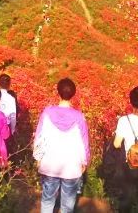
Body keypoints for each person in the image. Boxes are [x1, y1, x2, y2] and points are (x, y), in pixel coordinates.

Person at [33, 78, 90, 213]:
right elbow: (84, 143)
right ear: (73, 94)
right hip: (71, 165)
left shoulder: (47, 112)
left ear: (58, 92)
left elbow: (39, 137)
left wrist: (38, 157)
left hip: (49, 163)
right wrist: (84, 161)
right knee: (67, 205)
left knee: (47, 200)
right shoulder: (79, 116)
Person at [0, 74, 18, 154]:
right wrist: (12, 130)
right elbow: (13, 116)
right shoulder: (11, 98)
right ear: (9, 85)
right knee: (5, 150)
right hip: (6, 127)